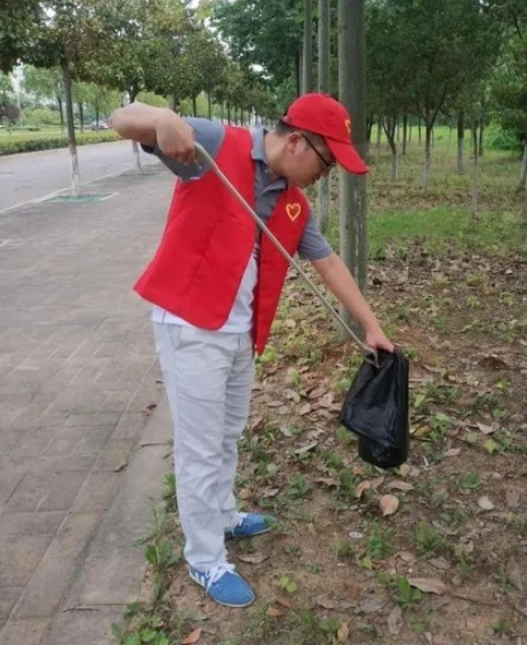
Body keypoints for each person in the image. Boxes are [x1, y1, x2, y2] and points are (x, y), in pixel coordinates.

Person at [109, 93, 394, 608]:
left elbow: (327, 261)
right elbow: (121, 119)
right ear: (297, 142)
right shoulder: (217, 144)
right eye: (327, 162)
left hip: (239, 330)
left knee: (227, 433)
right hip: (191, 324)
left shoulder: (293, 202)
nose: (325, 175)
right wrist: (163, 119)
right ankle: (204, 558)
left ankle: (221, 514)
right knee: (199, 447)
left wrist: (370, 324)